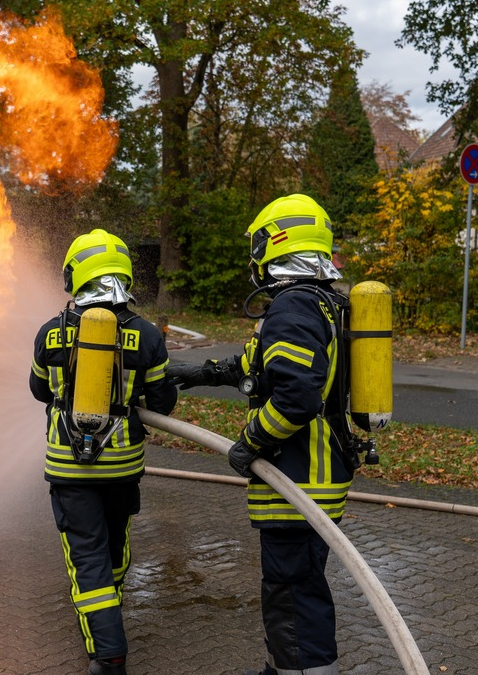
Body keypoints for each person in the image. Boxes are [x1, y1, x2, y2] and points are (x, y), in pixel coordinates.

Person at [168, 194, 355, 675]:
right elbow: (258, 366)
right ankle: (280, 668)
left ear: (275, 246)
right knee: (290, 590)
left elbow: (295, 398)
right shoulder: (323, 303)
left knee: (294, 597)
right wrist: (197, 373)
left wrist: (251, 441)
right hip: (315, 477)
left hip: (297, 481)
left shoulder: (293, 308)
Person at [29, 228, 178, 675]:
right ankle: (104, 617)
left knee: (87, 560)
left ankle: (108, 653)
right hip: (122, 468)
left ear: (76, 276)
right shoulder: (147, 334)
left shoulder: (50, 333)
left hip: (69, 469)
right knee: (114, 549)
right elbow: (162, 403)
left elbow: (39, 391)